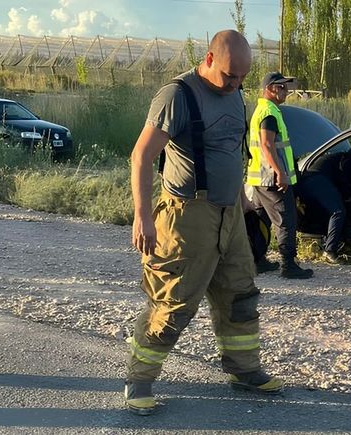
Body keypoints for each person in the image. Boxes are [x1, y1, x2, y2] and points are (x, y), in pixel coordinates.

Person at [126, 30, 283, 416]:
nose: (236, 84)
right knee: (174, 302)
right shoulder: (177, 95)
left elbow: (231, 151)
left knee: (240, 295)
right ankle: (139, 380)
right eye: (230, 76)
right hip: (187, 217)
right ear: (209, 59)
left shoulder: (236, 93)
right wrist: (142, 217)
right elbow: (141, 156)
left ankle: (244, 370)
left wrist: (243, 204)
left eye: (242, 77)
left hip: (230, 214)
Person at [245, 71, 313, 279]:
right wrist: (280, 172)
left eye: (286, 87)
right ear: (269, 89)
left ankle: (257, 260)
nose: (286, 91)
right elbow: (267, 145)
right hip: (272, 179)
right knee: (285, 220)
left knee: (261, 219)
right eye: (281, 87)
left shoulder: (263, 109)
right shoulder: (269, 113)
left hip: (259, 178)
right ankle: (288, 265)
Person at [298, 148, 351, 264]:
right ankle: (330, 251)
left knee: (327, 212)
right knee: (338, 212)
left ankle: (321, 246)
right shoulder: (350, 160)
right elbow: (344, 179)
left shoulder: (336, 157)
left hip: (307, 182)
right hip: (319, 181)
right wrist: (347, 196)